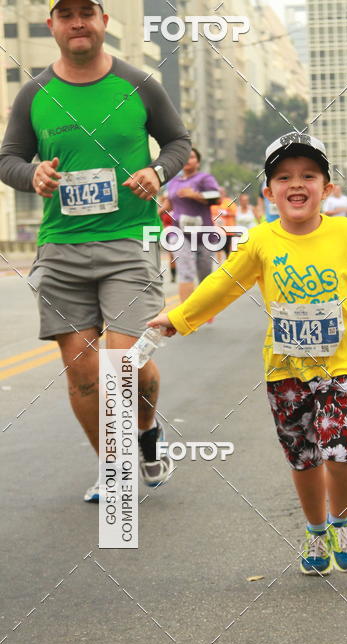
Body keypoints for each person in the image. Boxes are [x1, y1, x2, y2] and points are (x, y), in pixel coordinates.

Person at [148, 133, 347, 575]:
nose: (297, 184)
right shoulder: (260, 241)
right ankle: (316, 531)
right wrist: (178, 318)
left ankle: (342, 520)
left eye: (309, 176)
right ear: (269, 191)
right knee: (303, 454)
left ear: (327, 188)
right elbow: (223, 285)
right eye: (284, 176)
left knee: (340, 445)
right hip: (285, 367)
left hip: (345, 364)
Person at [0, 0, 190, 501]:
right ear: (53, 26)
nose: (77, 21)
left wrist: (158, 172)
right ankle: (113, 467)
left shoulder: (140, 84)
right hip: (61, 247)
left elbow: (177, 143)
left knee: (125, 364)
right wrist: (32, 174)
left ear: (105, 22)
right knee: (84, 374)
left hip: (129, 240)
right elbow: (9, 158)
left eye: (87, 11)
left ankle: (146, 431)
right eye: (67, 14)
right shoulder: (34, 94)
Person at [160, 147, 219, 303]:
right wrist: (155, 214)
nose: (188, 160)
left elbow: (216, 199)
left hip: (204, 234)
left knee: (205, 273)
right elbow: (169, 204)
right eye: (185, 157)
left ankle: (204, 307)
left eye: (192, 157)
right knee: (185, 271)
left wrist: (195, 195)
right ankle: (185, 316)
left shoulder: (204, 178)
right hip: (180, 233)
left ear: (198, 162)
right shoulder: (173, 182)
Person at [210, 187, 238, 260]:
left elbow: (234, 212)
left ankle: (229, 266)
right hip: (218, 231)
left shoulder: (229, 202)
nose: (220, 194)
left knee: (229, 251)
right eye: (219, 192)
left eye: (222, 192)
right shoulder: (213, 203)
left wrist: (226, 213)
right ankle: (220, 265)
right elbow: (211, 214)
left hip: (228, 231)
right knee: (218, 249)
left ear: (224, 193)